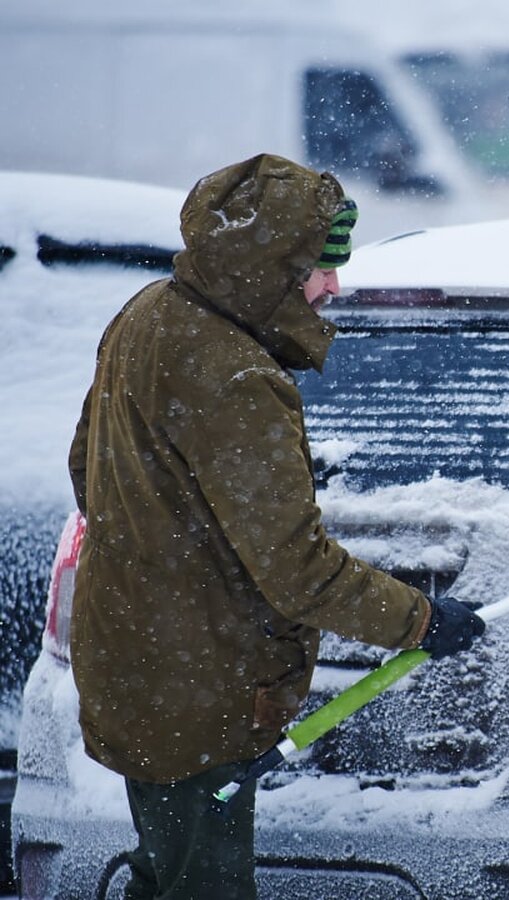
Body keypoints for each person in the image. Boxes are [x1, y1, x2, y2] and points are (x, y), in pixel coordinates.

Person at [67, 153, 486, 899]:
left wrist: (167, 561)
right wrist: (420, 620)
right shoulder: (236, 375)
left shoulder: (148, 315)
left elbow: (86, 473)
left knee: (167, 870)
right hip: (199, 692)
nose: (334, 287)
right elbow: (297, 569)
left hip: (136, 670)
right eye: (320, 268)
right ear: (267, 267)